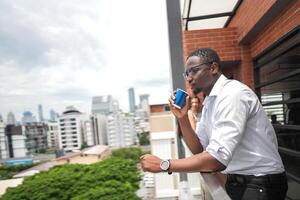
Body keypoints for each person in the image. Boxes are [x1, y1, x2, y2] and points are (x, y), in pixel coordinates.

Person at [140, 48, 287, 200]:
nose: (189, 78)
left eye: (193, 71)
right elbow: (199, 149)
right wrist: (182, 118)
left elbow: (216, 160)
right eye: (186, 73)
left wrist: (164, 165)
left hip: (260, 183)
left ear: (213, 68)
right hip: (240, 182)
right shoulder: (210, 102)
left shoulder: (232, 94)